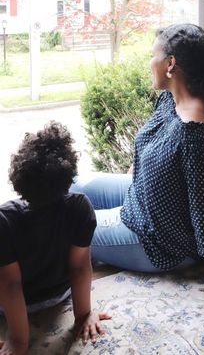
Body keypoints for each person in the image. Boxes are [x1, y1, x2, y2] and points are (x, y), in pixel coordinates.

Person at [71, 23, 204, 297]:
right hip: (138, 196)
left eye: (154, 55)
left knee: (67, 227)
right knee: (73, 186)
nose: (149, 62)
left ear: (170, 63)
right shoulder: (171, 100)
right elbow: (147, 147)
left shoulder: (196, 132)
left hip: (157, 238)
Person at [0, 123, 111, 355]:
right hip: (58, 295)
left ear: (19, 181)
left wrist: (18, 341)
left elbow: (10, 285)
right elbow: (80, 267)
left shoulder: (5, 220)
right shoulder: (81, 207)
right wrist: (83, 316)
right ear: (69, 181)